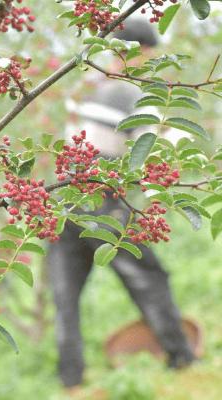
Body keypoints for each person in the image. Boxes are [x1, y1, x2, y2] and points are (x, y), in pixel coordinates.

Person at [47, 18, 195, 388]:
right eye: (149, 55)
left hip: (62, 200)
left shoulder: (88, 87)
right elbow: (155, 154)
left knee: (65, 297)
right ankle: (181, 358)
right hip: (102, 201)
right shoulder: (133, 95)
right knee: (148, 277)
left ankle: (71, 380)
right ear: (139, 53)